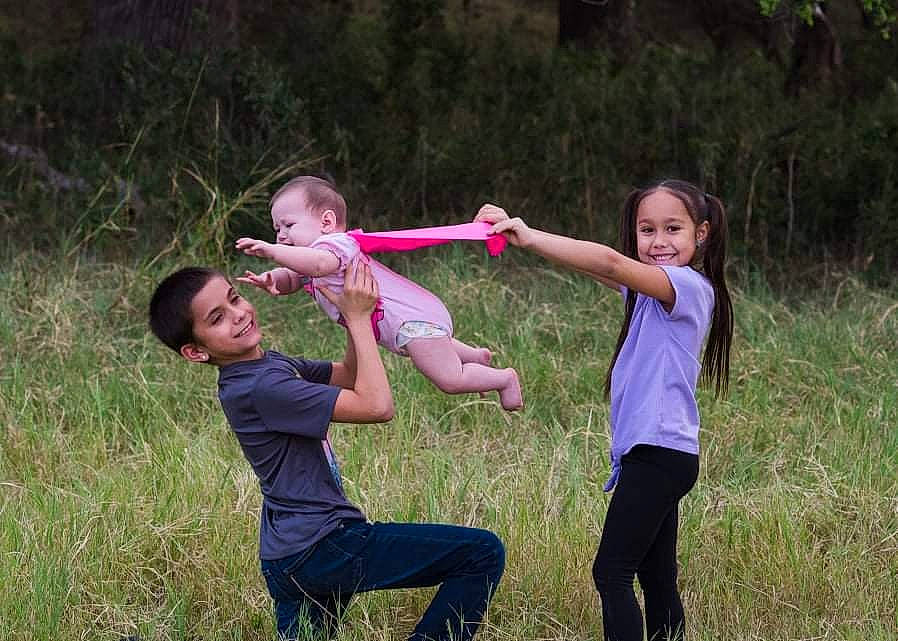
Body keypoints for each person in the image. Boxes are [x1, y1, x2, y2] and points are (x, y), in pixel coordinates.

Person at [147, 261, 505, 641]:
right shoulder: (261, 387)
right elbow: (377, 406)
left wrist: (350, 315)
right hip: (324, 546)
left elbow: (350, 375)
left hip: (288, 557)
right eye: (217, 318)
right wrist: (360, 318)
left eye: (235, 298)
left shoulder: (267, 367)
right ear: (195, 351)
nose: (238, 315)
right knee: (480, 553)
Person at [475, 179, 733, 641]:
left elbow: (613, 262)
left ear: (702, 234)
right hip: (659, 454)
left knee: (610, 571)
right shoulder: (651, 293)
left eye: (673, 229)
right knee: (656, 578)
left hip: (658, 453)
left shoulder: (688, 287)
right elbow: (606, 270)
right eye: (647, 229)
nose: (658, 242)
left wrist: (530, 233)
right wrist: (524, 239)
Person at [234, 175, 523, 411]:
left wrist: (274, 251)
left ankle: (502, 379)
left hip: (412, 321)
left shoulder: (337, 246)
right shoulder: (309, 258)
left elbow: (318, 265)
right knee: (423, 351)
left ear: (326, 222)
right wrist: (273, 279)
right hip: (406, 326)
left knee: (450, 380)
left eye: (288, 225)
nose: (281, 235)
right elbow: (294, 277)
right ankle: (475, 356)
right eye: (276, 230)